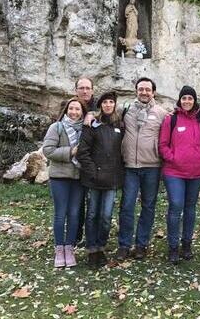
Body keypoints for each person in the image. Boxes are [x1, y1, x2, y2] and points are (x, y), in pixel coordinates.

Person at [116, 77, 167, 261]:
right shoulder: (126, 109)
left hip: (152, 166)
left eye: (147, 89)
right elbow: (105, 113)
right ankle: (124, 244)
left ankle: (141, 245)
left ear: (153, 92)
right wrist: (90, 114)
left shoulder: (161, 113)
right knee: (127, 206)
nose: (144, 92)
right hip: (130, 166)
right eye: (141, 89)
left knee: (148, 206)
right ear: (136, 91)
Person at [159, 86, 200, 264]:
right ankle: (173, 246)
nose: (187, 101)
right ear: (180, 100)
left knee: (190, 208)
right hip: (174, 171)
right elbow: (163, 144)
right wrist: (172, 158)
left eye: (190, 98)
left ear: (194, 101)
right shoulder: (171, 119)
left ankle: (186, 244)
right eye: (184, 98)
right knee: (176, 205)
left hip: (197, 172)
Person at [76, 91, 124, 268]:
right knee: (92, 214)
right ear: (101, 105)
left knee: (105, 216)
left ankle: (101, 246)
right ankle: (92, 249)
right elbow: (83, 151)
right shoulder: (92, 124)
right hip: (94, 178)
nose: (108, 105)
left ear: (114, 105)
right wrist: (92, 172)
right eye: (105, 102)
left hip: (111, 179)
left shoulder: (120, 125)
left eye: (111, 102)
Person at [43, 97, 87, 268]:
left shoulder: (85, 129)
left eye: (78, 109)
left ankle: (69, 248)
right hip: (59, 177)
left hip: (78, 177)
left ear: (82, 111)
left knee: (75, 213)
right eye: (71, 109)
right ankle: (59, 249)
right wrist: (71, 151)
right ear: (66, 110)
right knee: (60, 213)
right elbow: (48, 150)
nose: (74, 112)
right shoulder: (57, 127)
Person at [74, 77, 97, 247]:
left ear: (93, 90)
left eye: (88, 88)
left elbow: (108, 113)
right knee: (77, 202)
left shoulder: (98, 105)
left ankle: (91, 235)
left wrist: (92, 113)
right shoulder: (69, 106)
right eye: (81, 88)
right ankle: (76, 235)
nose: (84, 91)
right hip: (73, 163)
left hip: (94, 162)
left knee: (93, 203)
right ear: (76, 91)